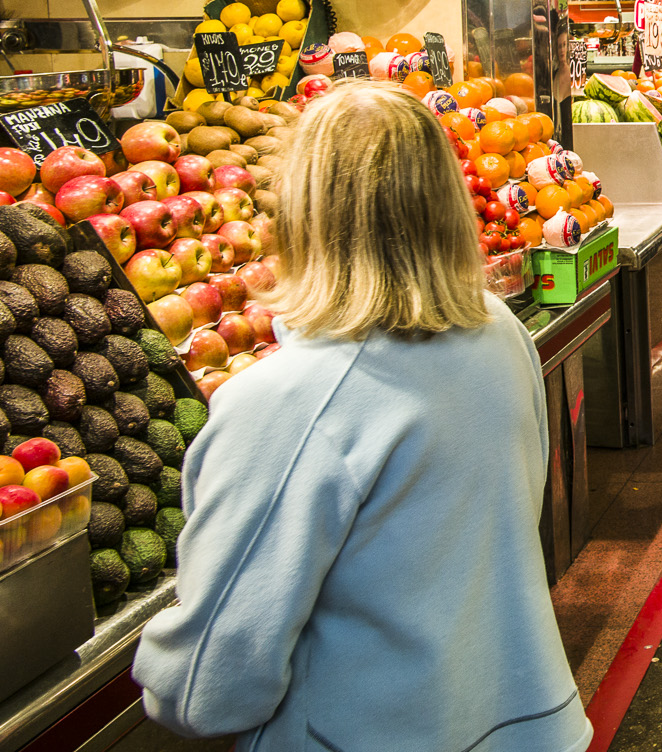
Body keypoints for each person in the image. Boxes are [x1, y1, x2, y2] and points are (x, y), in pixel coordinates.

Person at [133, 83, 593, 750]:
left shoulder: (282, 402)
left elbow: (212, 686)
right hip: (526, 725)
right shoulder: (499, 331)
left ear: (301, 208)